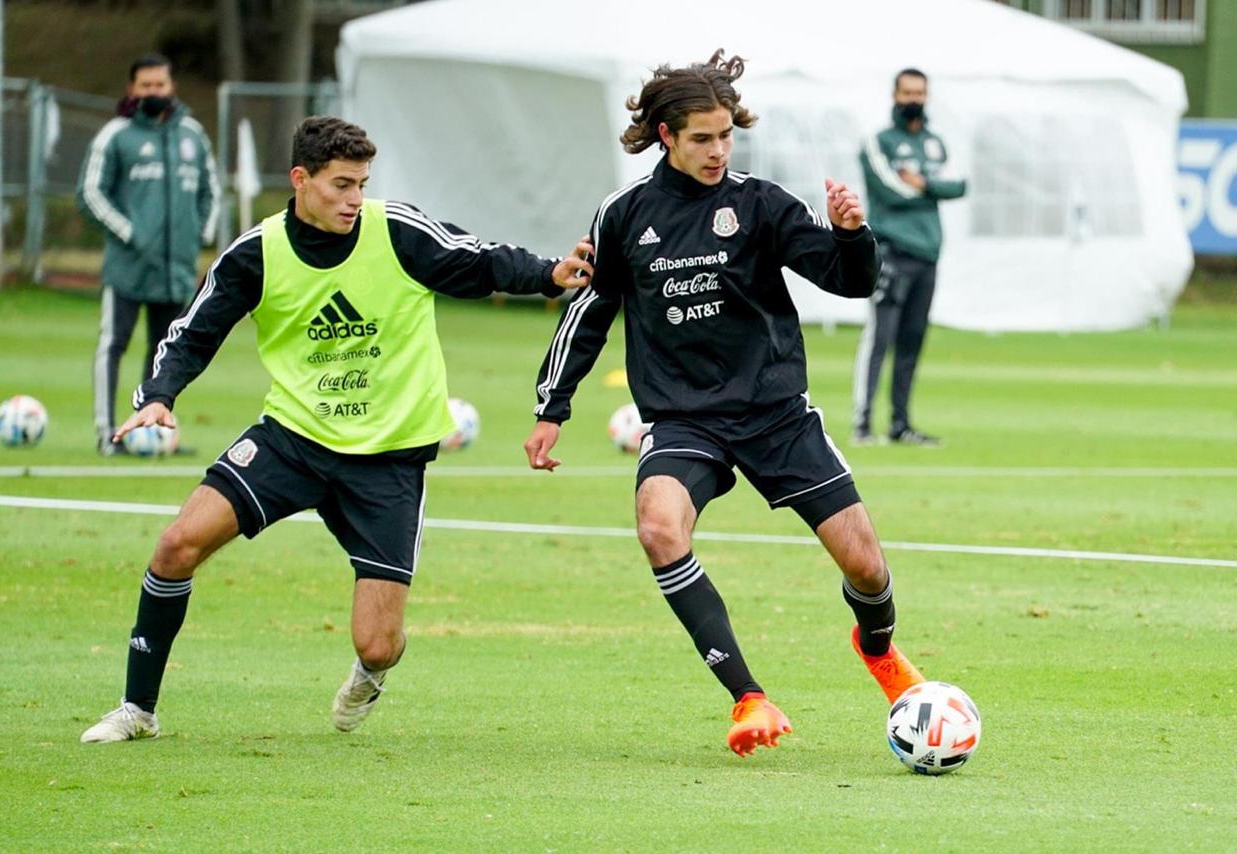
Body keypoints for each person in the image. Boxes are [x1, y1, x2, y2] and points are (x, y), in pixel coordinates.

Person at [80, 116, 593, 743]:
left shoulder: (395, 231)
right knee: (176, 545)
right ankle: (138, 710)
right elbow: (197, 328)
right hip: (293, 438)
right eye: (341, 184)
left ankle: (372, 673)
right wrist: (159, 395)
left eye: (362, 183)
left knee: (377, 644)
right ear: (301, 180)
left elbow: (476, 262)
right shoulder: (257, 253)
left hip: (389, 457)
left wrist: (547, 274)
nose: (355, 198)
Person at [525, 51, 925, 757]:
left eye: (726, 135)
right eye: (703, 137)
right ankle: (748, 697)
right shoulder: (625, 216)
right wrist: (553, 407)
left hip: (776, 414)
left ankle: (882, 654)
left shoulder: (759, 203)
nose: (718, 150)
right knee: (658, 527)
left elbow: (849, 281)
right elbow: (591, 312)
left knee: (865, 566)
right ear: (665, 136)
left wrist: (853, 233)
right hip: (685, 420)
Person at [77, 53, 219, 456]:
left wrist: (199, 236)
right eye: (146, 86)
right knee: (113, 345)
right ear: (132, 90)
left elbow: (211, 192)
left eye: (160, 85)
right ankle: (108, 435)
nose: (154, 92)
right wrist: (130, 233)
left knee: (167, 353)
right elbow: (89, 193)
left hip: (176, 269)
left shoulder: (192, 134)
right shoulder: (116, 135)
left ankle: (154, 436)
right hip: (128, 267)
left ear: (171, 88)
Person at [851, 68, 967, 447]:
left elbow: (960, 183)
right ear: (895, 96)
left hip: (928, 253)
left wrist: (926, 184)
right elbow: (890, 191)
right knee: (880, 338)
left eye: (920, 92)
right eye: (907, 92)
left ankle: (900, 424)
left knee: (912, 341)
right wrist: (930, 189)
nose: (914, 99)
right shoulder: (878, 141)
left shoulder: (935, 143)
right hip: (891, 252)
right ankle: (863, 424)